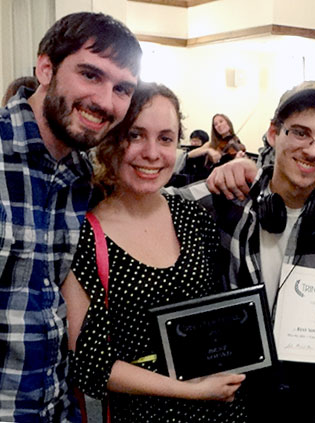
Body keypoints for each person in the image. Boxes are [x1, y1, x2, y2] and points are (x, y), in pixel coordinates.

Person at [173, 80, 315, 422]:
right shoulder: (225, 198)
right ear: (273, 133)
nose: (313, 151)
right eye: (300, 133)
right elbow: (149, 199)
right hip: (239, 399)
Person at [62, 81, 246, 422]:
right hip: (147, 414)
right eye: (135, 135)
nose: (152, 153)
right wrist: (192, 390)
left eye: (165, 138)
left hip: (222, 408)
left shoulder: (192, 216)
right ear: (110, 140)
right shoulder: (85, 236)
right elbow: (90, 364)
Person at [0, 12, 141, 422]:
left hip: (57, 409)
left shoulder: (83, 175)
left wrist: (230, 173)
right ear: (45, 69)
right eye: (90, 75)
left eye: (122, 88)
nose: (105, 101)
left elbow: (143, 202)